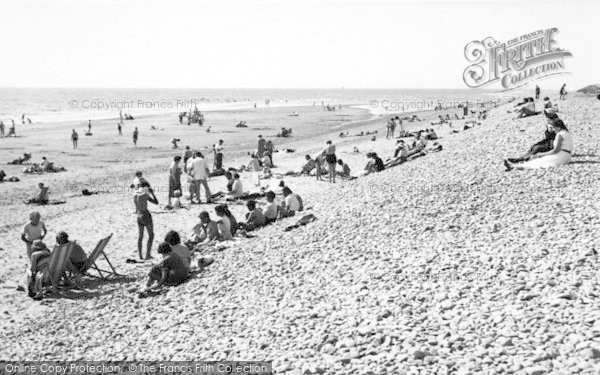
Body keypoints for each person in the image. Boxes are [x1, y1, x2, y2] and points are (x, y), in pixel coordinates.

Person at [504, 118, 573, 170]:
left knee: (539, 162)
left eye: (553, 128)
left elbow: (556, 150)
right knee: (540, 160)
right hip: (567, 156)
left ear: (558, 127)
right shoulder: (566, 133)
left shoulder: (560, 135)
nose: (553, 130)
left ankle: (514, 167)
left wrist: (541, 154)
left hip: (561, 156)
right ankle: (515, 165)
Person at [134, 182, 158, 259]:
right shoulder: (145, 195)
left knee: (140, 236)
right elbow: (156, 202)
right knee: (151, 235)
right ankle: (148, 254)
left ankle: (140, 255)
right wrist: (152, 193)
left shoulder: (136, 195)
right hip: (145, 214)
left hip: (139, 215)